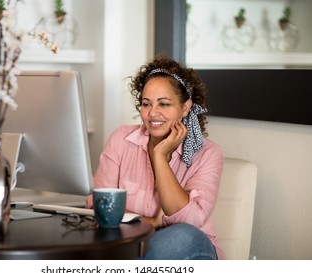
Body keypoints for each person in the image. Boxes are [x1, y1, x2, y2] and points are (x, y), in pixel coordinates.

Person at [86, 55, 225, 260]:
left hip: (191, 252)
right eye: (146, 104)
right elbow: (97, 205)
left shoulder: (208, 154)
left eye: (164, 104)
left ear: (185, 108)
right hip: (132, 246)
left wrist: (160, 156)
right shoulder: (121, 140)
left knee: (182, 234)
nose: (153, 113)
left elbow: (189, 220)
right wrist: (151, 222)